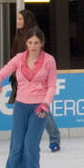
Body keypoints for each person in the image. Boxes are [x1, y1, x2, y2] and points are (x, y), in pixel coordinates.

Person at [0, 26, 57, 168]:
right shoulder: (19, 59)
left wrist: (45, 104)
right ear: (26, 43)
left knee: (30, 145)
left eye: (36, 42)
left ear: (42, 43)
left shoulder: (49, 61)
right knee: (16, 146)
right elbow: (2, 72)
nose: (33, 46)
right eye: (30, 42)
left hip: (38, 109)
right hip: (20, 106)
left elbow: (51, 86)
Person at [16, 9, 62, 152]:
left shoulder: (34, 34)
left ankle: (54, 137)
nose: (18, 22)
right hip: (23, 78)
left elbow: (39, 57)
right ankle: (30, 141)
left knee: (42, 111)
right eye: (17, 19)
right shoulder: (19, 35)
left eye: (20, 19)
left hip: (37, 79)